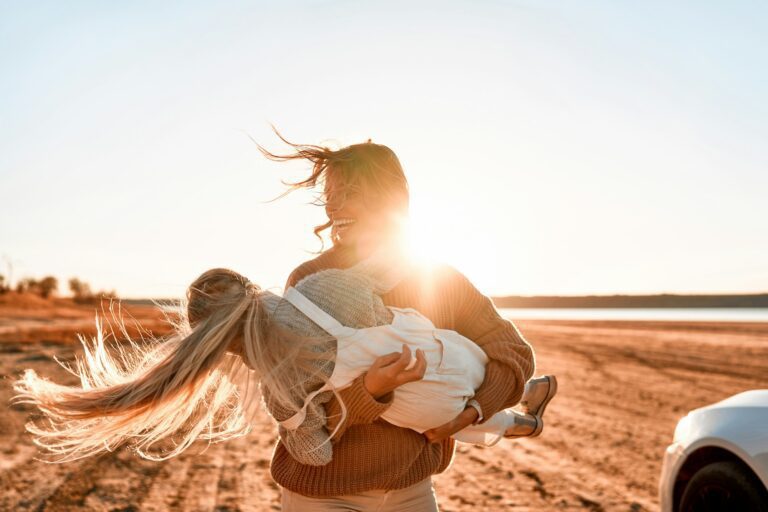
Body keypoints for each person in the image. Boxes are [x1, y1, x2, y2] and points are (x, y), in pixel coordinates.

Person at [259, 134, 543, 511]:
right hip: (324, 494)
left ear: (388, 198)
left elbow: (514, 354)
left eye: (349, 192)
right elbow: (300, 410)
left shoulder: (435, 277)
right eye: (331, 193)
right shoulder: (311, 280)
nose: (333, 205)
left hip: (412, 491)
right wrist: (369, 392)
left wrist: (473, 412)